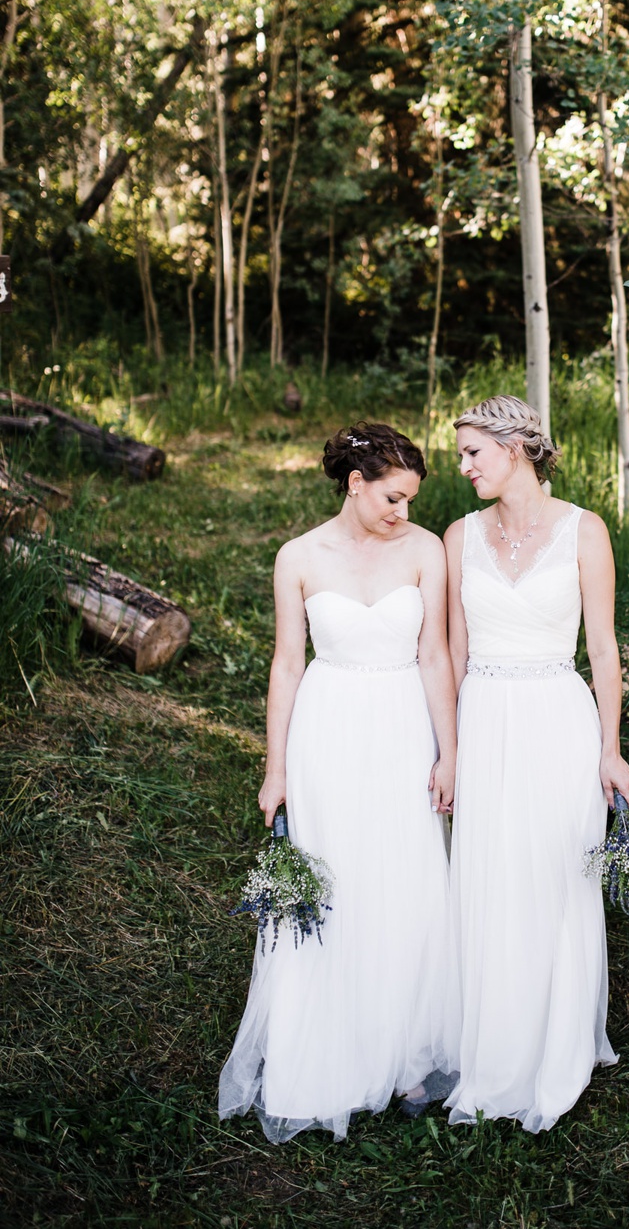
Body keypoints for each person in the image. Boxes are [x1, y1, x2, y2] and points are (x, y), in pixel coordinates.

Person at [219, 422, 460, 1142]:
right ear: (355, 484)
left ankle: (409, 1048)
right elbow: (287, 666)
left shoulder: (426, 551)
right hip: (327, 729)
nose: (404, 513)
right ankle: (326, 1052)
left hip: (401, 728)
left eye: (412, 499)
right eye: (393, 497)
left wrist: (449, 753)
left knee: (407, 879)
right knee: (334, 877)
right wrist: (276, 768)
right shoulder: (297, 557)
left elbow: (436, 658)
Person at [443, 394, 629, 1132]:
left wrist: (610, 750)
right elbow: (456, 651)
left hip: (559, 719)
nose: (462, 468)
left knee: (554, 876)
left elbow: (606, 651)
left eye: (472, 454)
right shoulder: (459, 535)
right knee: (490, 878)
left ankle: (555, 1047)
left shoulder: (585, 531)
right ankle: (492, 1046)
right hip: (486, 716)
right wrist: (450, 750)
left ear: (514, 449)